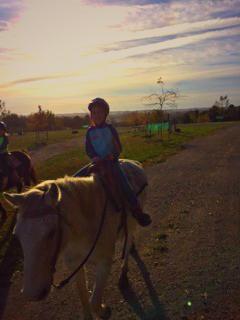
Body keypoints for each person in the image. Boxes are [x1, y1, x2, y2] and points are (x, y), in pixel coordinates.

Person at [74, 98, 152, 227]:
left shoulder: (110, 129)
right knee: (76, 178)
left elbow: (118, 146)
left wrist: (113, 155)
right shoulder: (90, 132)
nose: (96, 116)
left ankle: (137, 210)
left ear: (105, 114)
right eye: (94, 113)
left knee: (124, 182)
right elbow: (89, 149)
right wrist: (93, 156)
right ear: (91, 115)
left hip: (111, 162)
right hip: (97, 162)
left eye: (100, 113)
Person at [0, 121, 21, 185]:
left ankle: (11, 177)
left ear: (4, 130)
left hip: (3, 154)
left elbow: (2, 146)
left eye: (0, 130)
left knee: (6, 165)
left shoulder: (5, 138)